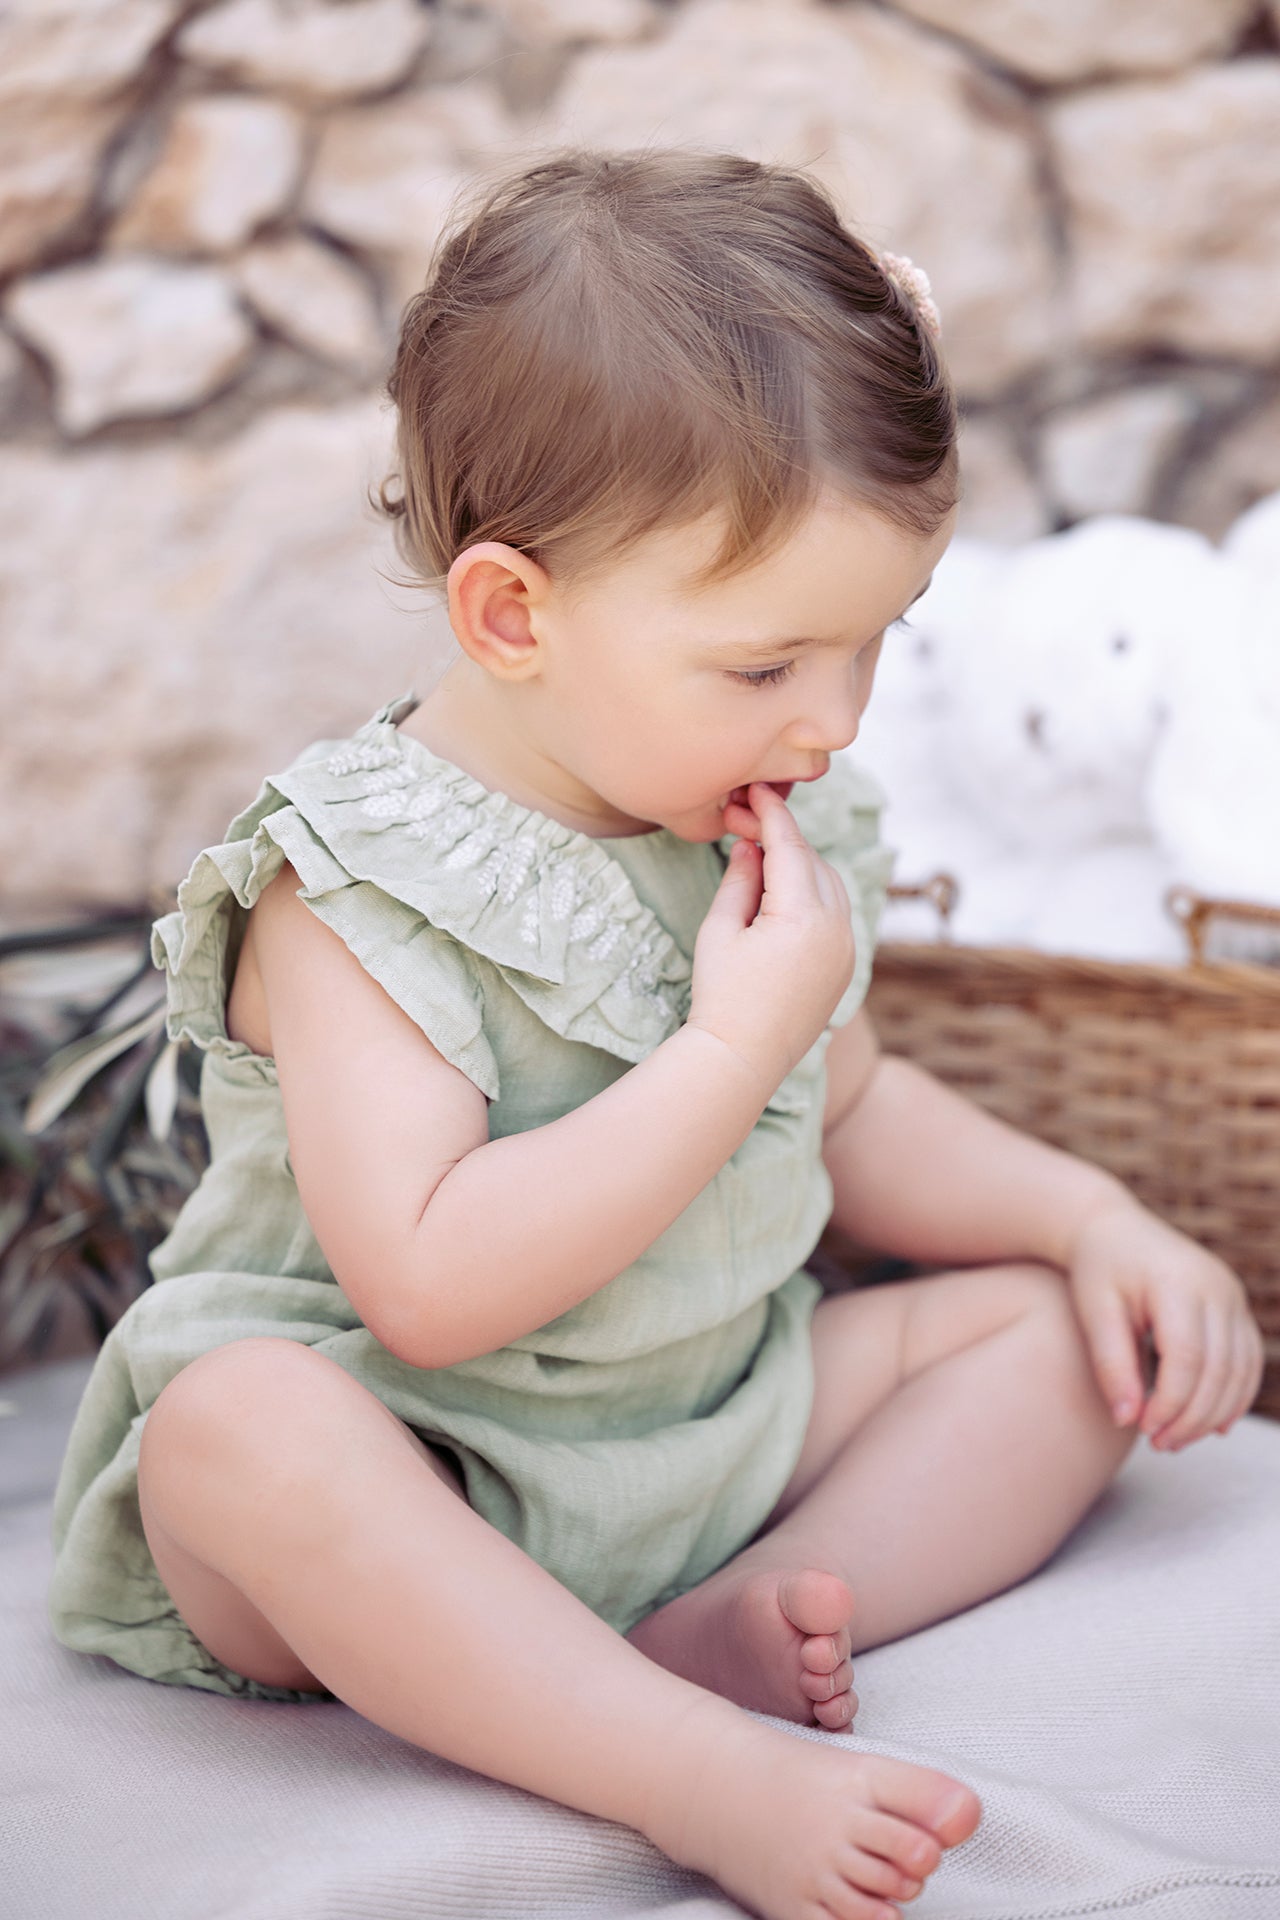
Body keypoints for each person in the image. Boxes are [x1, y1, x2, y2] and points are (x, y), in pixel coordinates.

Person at [48, 148, 1266, 1920]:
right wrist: (724, 1050)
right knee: (239, 1431)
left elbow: (853, 1111)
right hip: (424, 1457)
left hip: (703, 1425)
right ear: (512, 616)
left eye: (875, 644)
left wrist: (1097, 1221)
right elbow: (429, 1286)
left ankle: (755, 1609)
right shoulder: (356, 885)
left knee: (1058, 1338)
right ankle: (685, 1763)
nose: (835, 722)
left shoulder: (753, 812)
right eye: (768, 666)